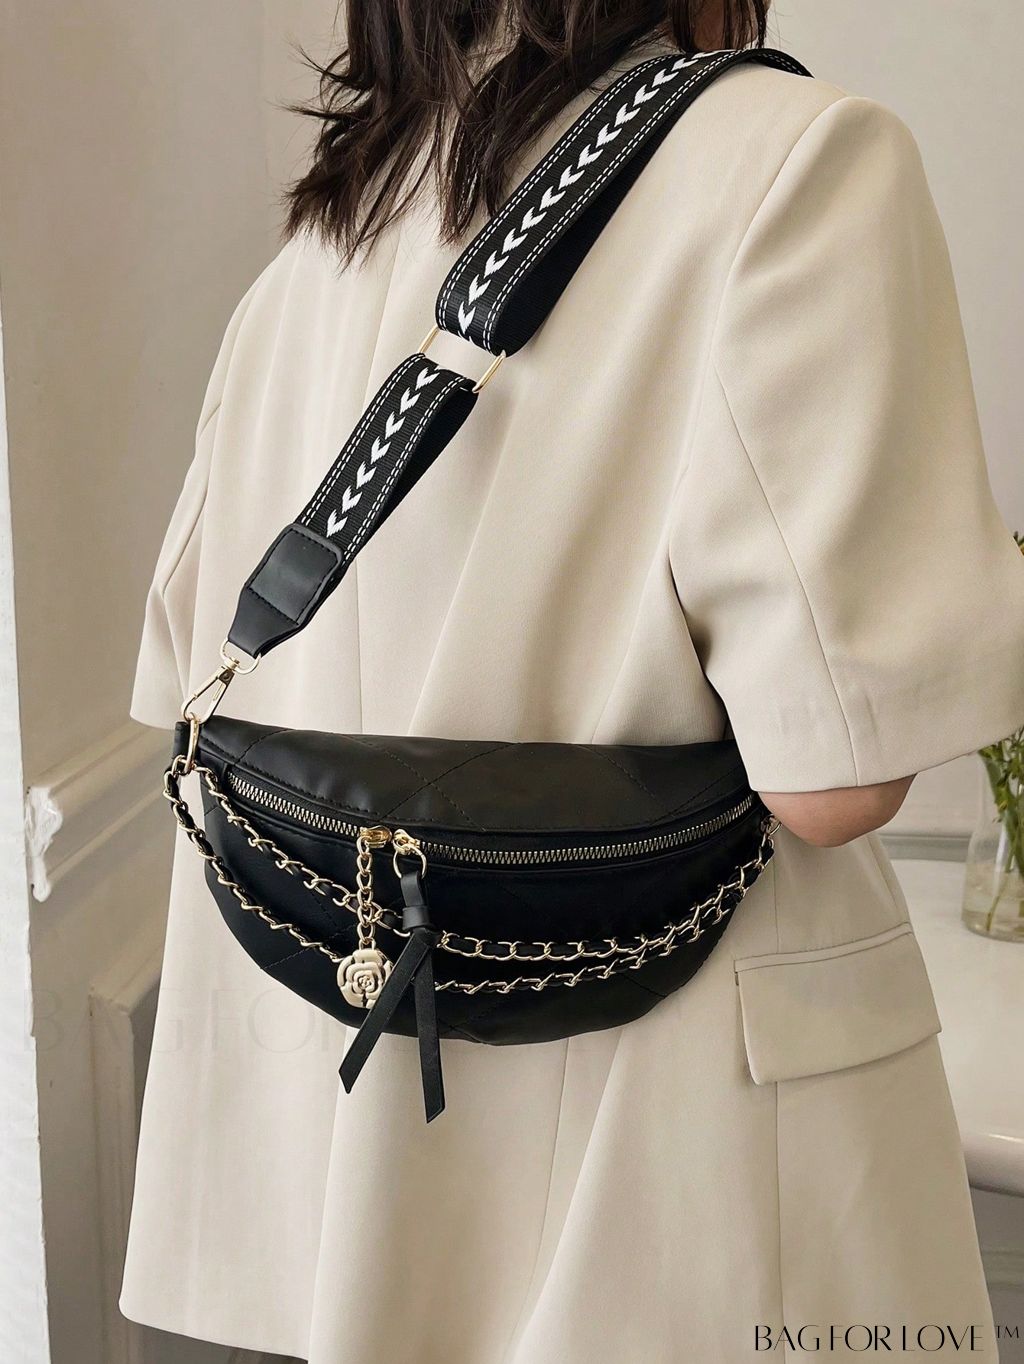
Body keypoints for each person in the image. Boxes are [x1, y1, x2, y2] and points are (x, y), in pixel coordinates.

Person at [120, 2, 1024, 1360]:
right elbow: (835, 785)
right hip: (665, 1145)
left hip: (352, 1131)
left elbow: (193, 674)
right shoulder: (797, 161)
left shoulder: (327, 232)